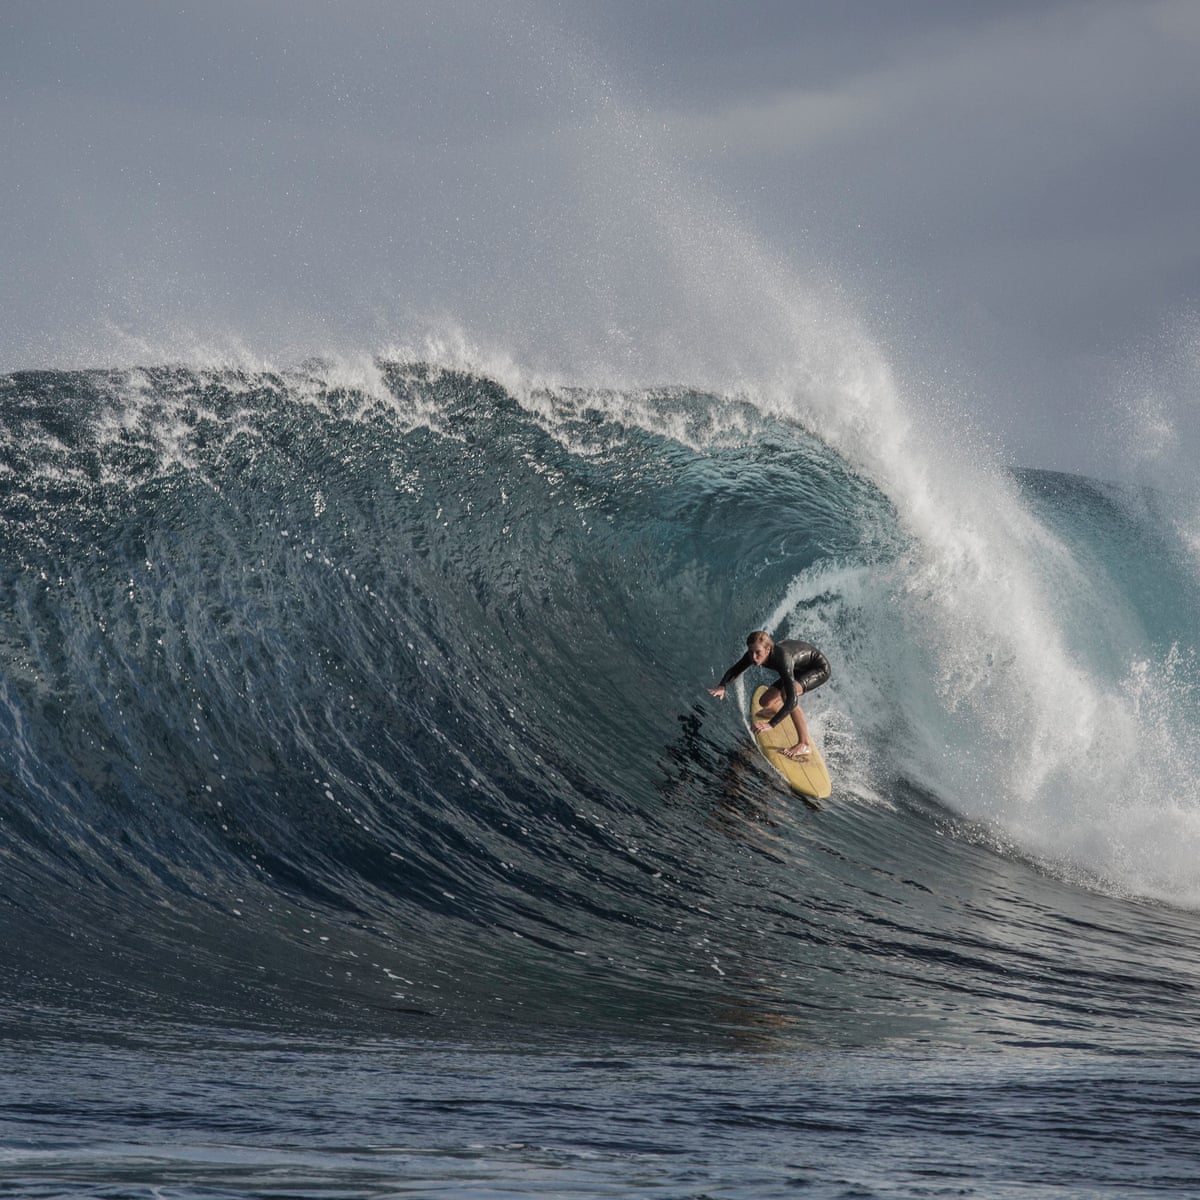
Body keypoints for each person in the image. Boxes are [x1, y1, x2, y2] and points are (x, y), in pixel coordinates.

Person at [707, 630, 831, 760]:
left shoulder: (782, 659)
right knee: (765, 702)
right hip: (797, 668)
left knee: (786, 694)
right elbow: (735, 669)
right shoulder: (755, 653)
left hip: (818, 669)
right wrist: (722, 687)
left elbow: (792, 699)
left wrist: (771, 724)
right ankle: (778, 710)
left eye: (757, 653)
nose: (753, 657)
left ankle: (804, 744)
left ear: (768, 649)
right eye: (750, 652)